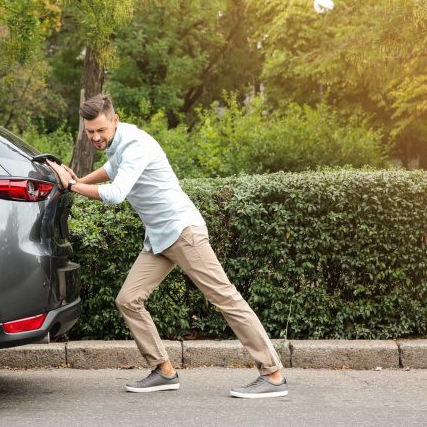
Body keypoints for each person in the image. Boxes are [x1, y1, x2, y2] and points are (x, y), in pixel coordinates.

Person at [46, 94, 287, 398]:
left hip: (182, 231)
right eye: (90, 131)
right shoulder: (119, 143)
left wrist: (72, 186)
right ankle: (164, 371)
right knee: (128, 300)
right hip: (159, 237)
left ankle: (273, 374)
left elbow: (117, 192)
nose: (95, 137)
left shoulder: (135, 144)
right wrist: (77, 179)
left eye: (100, 130)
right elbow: (111, 169)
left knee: (225, 298)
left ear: (115, 121)